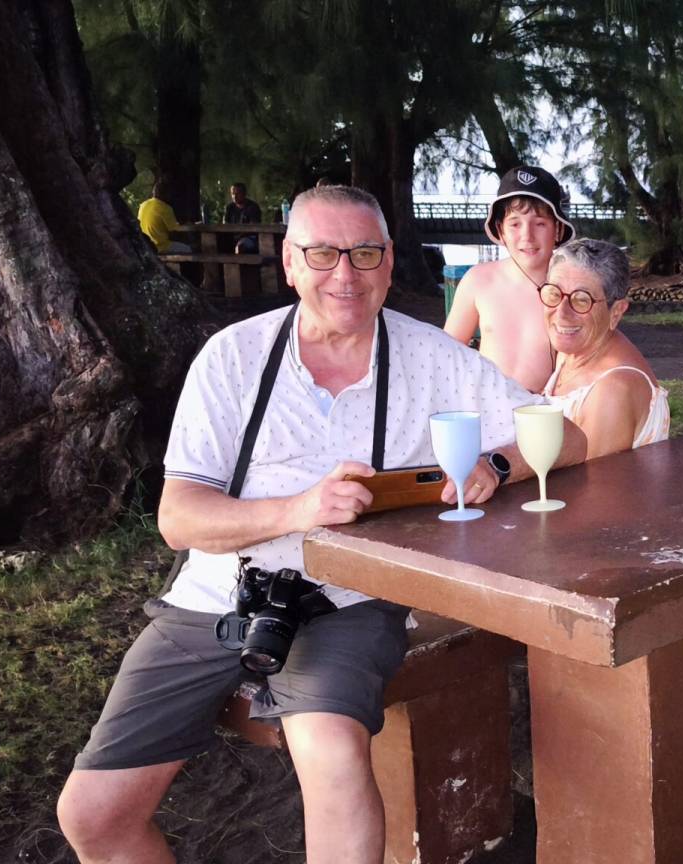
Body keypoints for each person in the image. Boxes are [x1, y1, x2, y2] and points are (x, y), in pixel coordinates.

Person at [57, 185, 587, 864]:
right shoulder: (234, 357)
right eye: (324, 253)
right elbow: (178, 519)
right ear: (288, 262)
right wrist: (298, 511)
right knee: (93, 815)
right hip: (215, 595)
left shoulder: (429, 357)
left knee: (333, 757)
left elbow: (565, 435)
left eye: (365, 253)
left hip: (348, 599)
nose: (346, 274)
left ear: (391, 262)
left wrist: (495, 462)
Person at [445, 165, 574, 392]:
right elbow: (446, 354)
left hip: (545, 411)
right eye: (515, 224)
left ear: (558, 229)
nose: (527, 235)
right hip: (484, 408)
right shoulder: (478, 280)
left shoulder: (572, 287)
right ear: (500, 230)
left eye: (540, 223)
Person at [541, 238, 669, 458]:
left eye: (581, 300)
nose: (561, 313)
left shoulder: (613, 391)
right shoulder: (572, 351)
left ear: (616, 312)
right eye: (554, 294)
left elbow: (595, 490)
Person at [138, 178, 189, 253]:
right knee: (188, 249)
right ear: (167, 194)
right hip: (160, 247)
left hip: (146, 246)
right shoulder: (165, 208)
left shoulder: (143, 205)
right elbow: (174, 231)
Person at [224, 182, 265, 254]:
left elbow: (253, 228)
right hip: (232, 237)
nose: (234, 196)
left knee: (240, 247)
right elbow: (225, 225)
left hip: (249, 237)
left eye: (237, 193)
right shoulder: (229, 207)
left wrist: (238, 236)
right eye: (233, 194)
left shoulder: (253, 207)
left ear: (244, 194)